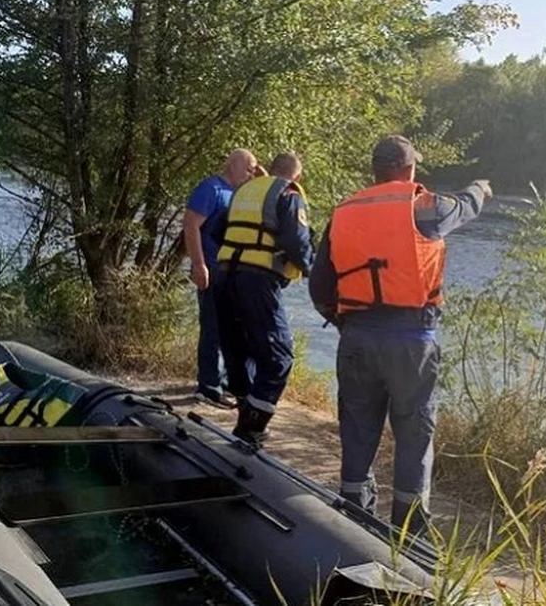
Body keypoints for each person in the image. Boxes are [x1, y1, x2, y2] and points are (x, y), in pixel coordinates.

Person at [308, 134, 492, 536]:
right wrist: (480, 187)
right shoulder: (424, 206)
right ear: (410, 170)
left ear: (375, 170)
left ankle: (353, 523)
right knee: (414, 433)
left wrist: (347, 324)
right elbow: (464, 206)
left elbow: (319, 287)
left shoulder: (343, 213)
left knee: (357, 430)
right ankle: (410, 535)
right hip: (411, 340)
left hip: (356, 337)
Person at [216, 151, 315, 442]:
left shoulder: (245, 191)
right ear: (296, 176)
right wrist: (312, 269)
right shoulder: (288, 193)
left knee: (238, 349)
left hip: (224, 275)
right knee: (277, 357)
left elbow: (217, 229)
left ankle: (246, 410)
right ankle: (252, 427)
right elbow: (295, 241)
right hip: (256, 280)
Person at [182, 148, 261, 408]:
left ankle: (228, 382)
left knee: (237, 329)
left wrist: (262, 176)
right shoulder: (211, 189)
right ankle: (208, 386)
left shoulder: (242, 193)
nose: (251, 173)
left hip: (233, 272)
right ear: (233, 165)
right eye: (249, 167)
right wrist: (198, 264)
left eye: (254, 169)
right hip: (213, 268)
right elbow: (191, 224)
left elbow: (272, 193)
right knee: (213, 328)